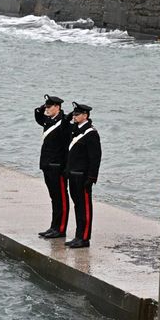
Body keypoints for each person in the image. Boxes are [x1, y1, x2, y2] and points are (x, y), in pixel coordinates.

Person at [65, 102, 101, 249]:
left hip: (83, 176)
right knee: (77, 206)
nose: (74, 116)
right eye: (74, 114)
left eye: (77, 114)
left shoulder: (91, 133)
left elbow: (95, 157)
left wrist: (91, 178)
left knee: (84, 208)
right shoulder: (75, 130)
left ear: (85, 116)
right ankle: (78, 236)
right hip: (73, 175)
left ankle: (84, 238)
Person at [34, 94, 71, 239]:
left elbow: (67, 146)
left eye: (50, 107)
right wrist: (44, 107)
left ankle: (61, 229)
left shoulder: (64, 122)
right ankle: (54, 226)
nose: (47, 109)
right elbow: (38, 115)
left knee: (61, 198)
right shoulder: (48, 120)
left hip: (58, 167)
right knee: (54, 197)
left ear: (58, 107)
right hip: (47, 165)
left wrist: (65, 166)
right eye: (46, 106)